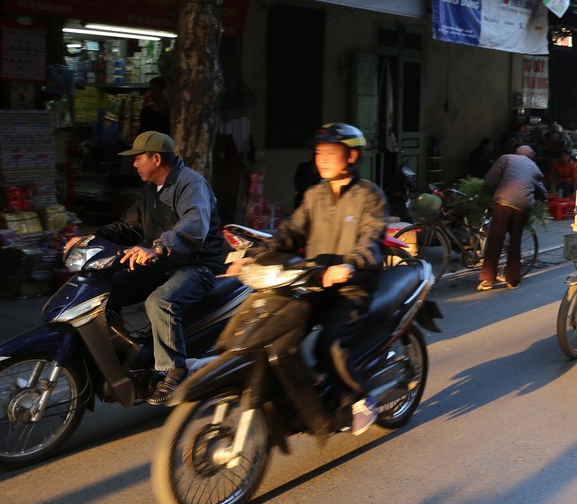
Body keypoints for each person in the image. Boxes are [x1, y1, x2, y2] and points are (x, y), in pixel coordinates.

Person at [232, 122, 386, 434]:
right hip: (313, 283)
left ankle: (360, 397)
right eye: (319, 153)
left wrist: (350, 264)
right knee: (279, 331)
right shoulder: (314, 195)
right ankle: (302, 395)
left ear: (352, 156)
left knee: (327, 345)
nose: (323, 159)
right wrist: (254, 255)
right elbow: (289, 232)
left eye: (331, 153)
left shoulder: (368, 196)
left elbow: (371, 240)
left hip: (352, 289)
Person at [65, 131, 226, 405]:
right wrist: (90, 239)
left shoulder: (191, 184)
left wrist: (157, 248)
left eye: (138, 158)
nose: (134, 164)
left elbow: (192, 227)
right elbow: (129, 226)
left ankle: (174, 370)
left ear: (155, 158)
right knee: (109, 290)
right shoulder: (151, 190)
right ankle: (124, 357)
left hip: (196, 266)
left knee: (159, 301)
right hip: (161, 263)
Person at [479, 145, 547, 291]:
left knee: (495, 240)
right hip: (523, 207)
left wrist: (488, 191)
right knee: (515, 242)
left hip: (503, 203)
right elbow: (542, 191)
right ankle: (512, 280)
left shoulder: (506, 158)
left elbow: (490, 179)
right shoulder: (534, 167)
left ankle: (488, 279)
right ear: (531, 156)